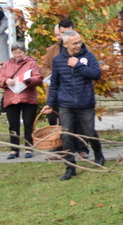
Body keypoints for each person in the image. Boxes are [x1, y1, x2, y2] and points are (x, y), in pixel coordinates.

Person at [42, 29, 106, 179]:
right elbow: (55, 84)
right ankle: (70, 167)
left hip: (85, 103)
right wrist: (50, 103)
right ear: (65, 44)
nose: (79, 45)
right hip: (66, 104)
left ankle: (99, 154)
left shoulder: (88, 56)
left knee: (90, 133)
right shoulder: (57, 60)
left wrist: (78, 65)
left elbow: (96, 74)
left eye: (79, 42)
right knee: (66, 135)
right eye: (75, 43)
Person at [0, 41, 43, 159]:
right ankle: (14, 149)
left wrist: (29, 80)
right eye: (15, 52)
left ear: (24, 52)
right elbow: (0, 77)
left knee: (28, 124)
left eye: (20, 52)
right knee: (13, 125)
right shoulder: (6, 65)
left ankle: (29, 148)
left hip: (27, 97)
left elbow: (38, 78)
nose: (17, 55)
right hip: (11, 97)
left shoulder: (32, 63)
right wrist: (5, 81)